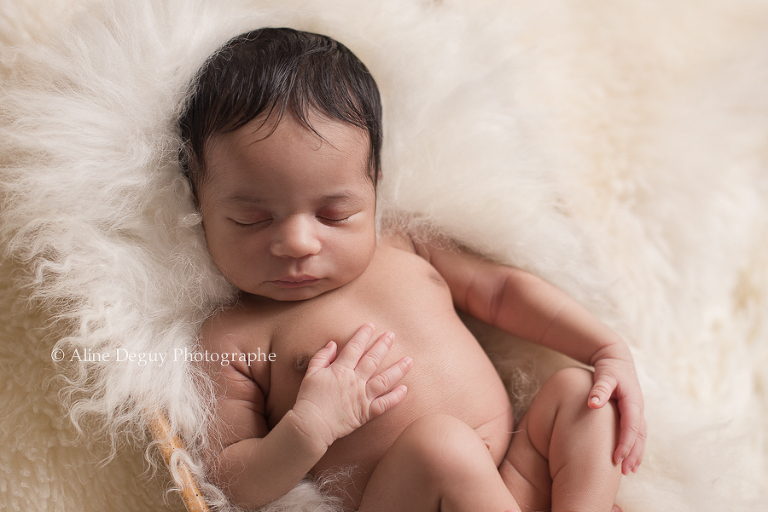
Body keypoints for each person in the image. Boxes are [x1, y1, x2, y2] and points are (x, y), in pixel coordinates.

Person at [179, 28, 646, 512]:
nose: (298, 242)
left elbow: (501, 291)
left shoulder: (405, 245)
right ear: (200, 204)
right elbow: (229, 482)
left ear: (373, 187)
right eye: (252, 219)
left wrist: (604, 347)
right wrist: (308, 428)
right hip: (411, 497)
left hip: (512, 478)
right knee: (440, 446)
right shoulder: (231, 338)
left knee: (582, 391)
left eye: (334, 214)